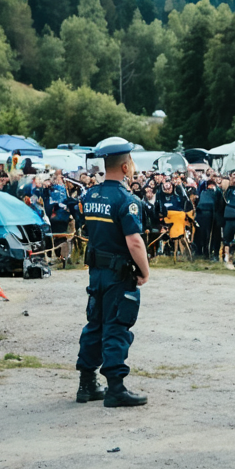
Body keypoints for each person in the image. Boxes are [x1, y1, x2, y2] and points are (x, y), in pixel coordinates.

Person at [74, 138, 152, 408]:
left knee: (94, 326)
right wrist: (145, 271)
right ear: (125, 166)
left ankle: (86, 384)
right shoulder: (126, 200)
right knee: (116, 327)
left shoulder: (90, 196)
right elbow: (134, 242)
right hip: (118, 275)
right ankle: (116, 389)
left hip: (96, 272)